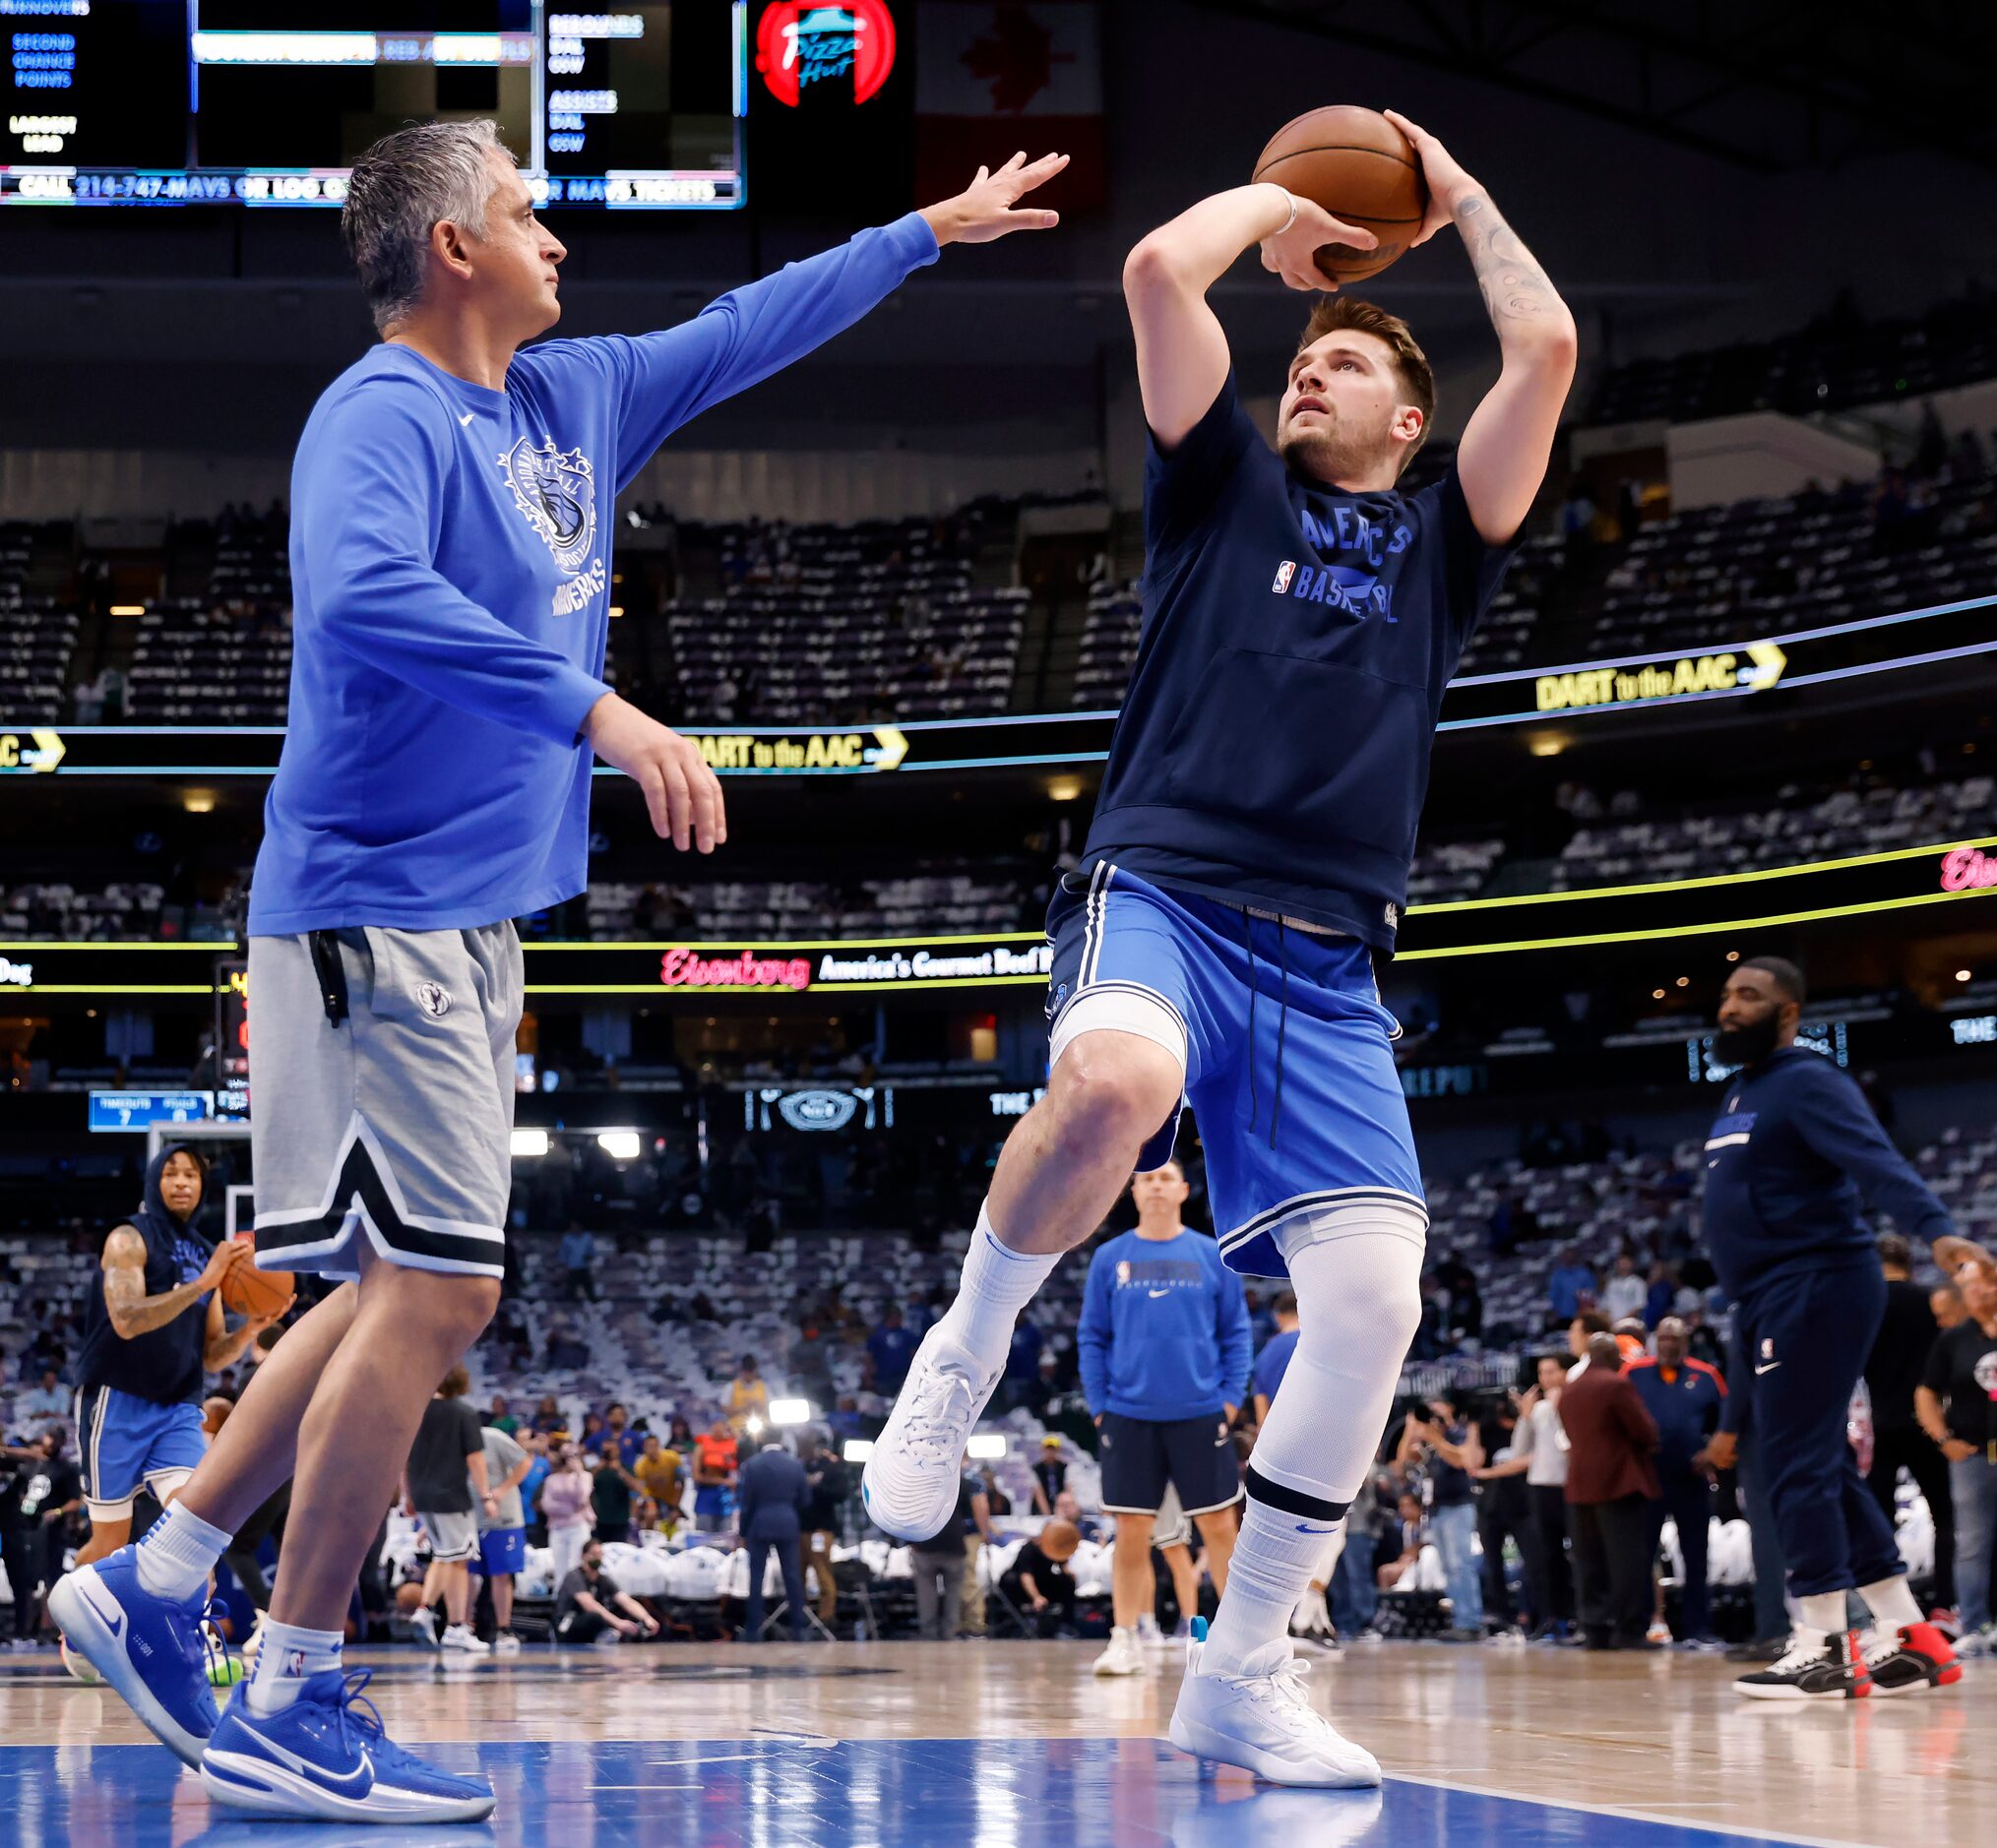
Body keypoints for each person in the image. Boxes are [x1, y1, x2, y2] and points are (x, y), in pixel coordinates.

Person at [50, 118, 1066, 1825]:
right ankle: (286, 1678)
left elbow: (746, 324)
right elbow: (365, 594)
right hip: (376, 904)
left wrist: (919, 232)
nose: (557, 237)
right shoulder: (374, 418)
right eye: (527, 209)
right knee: (441, 1295)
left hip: (453, 919)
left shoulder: (573, 394)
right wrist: (594, 704)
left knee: (392, 1291)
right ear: (452, 244)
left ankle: (157, 1578)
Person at [865, 111, 1573, 1786]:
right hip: (1164, 883)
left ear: (1410, 417)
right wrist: (1292, 209)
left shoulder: (1439, 548)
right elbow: (1146, 267)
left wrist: (1444, 189)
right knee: (1120, 1073)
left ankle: (1241, 1667)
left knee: (1374, 1299)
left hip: (1328, 953)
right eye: (1301, 358)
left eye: (1339, 364)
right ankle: (955, 1357)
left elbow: (1539, 342)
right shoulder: (1215, 481)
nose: (1304, 376)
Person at [1702, 957, 1961, 1698]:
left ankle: (1819, 1642)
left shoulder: (1808, 1081)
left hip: (1814, 1282)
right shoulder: (1739, 1091)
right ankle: (1910, 1637)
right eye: (1725, 995)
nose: (1728, 1006)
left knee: (1792, 1465)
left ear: (1787, 1013)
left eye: (1747, 996)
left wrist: (1935, 1231)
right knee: (1819, 1465)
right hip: (1767, 1296)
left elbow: (1876, 1164)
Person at [66, 1148, 273, 1583]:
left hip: (178, 1406)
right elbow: (125, 1320)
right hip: (116, 1398)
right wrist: (203, 1282)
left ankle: (190, 1640)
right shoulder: (129, 1238)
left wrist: (252, 1329)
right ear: (154, 1182)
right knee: (109, 1545)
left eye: (192, 1175)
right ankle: (74, 1623)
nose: (182, 1182)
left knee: (196, 1531)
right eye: (172, 1173)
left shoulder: (203, 1253)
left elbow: (213, 1354)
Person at [1078, 1162, 1250, 1677]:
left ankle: (1238, 1643)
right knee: (1131, 1529)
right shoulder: (1109, 1258)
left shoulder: (1212, 1255)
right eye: (1145, 1178)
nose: (1155, 1184)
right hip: (1128, 1416)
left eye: (1164, 1177)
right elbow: (1092, 1337)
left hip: (1200, 1413)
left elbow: (1236, 1335)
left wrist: (1228, 1403)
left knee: (1220, 1526)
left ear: (1183, 1190)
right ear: (1131, 1191)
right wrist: (1099, 1406)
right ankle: (1124, 1636)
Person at [1864, 1233, 1955, 1619]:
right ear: (1909, 1263)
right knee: (1944, 1517)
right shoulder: (1929, 1303)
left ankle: (1888, 1613)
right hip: (1926, 1424)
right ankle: (1943, 1606)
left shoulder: (1864, 1305)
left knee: (1877, 1524)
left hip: (1876, 1426)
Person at [1915, 1238, 1997, 1658]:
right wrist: (1943, 1439)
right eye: (1971, 1287)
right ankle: (1975, 1623)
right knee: (1972, 1541)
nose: (1979, 1292)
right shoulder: (1954, 1340)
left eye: (1986, 1284)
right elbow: (1926, 1393)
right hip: (1973, 1454)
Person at [1627, 1317, 1725, 1644]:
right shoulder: (1634, 1373)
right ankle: (1641, 1626)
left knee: (1696, 1555)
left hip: (1691, 1480)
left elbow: (1726, 1420)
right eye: (1664, 1338)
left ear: (1686, 1342)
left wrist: (1712, 1452)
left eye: (1676, 1339)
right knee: (1641, 1556)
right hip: (1648, 1479)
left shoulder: (1707, 1375)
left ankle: (1698, 1629)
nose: (1669, 1344)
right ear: (1656, 1342)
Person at [1558, 1335, 1659, 1650]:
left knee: (1589, 1562)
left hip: (1578, 1485)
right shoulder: (1616, 1385)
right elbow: (1644, 1430)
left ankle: (1594, 1629)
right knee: (1626, 1561)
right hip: (1618, 1482)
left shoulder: (1568, 1392)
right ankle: (1628, 1631)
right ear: (1612, 1356)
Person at [1471, 1355, 1572, 1637]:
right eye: (1542, 1372)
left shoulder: (1575, 1398)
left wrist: (1491, 1474)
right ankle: (1551, 1620)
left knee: (1569, 1558)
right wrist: (1526, 1417)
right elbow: (1519, 1449)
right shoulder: (1537, 1410)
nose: (1547, 1377)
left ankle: (1576, 1617)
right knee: (1548, 1559)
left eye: (1552, 1371)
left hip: (1571, 1486)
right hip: (1542, 1488)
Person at [400, 1365, 493, 1655]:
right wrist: (486, 1494)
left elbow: (404, 1458)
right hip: (451, 1497)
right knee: (460, 1561)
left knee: (444, 1556)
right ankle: (456, 1627)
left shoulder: (417, 1411)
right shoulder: (463, 1414)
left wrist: (408, 1496)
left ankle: (426, 1610)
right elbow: (476, 1459)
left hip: (423, 1496)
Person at [1394, 1396, 1483, 1640]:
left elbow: (1461, 1459)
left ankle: (1471, 1622)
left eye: (1437, 1406)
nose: (1432, 1413)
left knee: (1460, 1565)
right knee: (1447, 1567)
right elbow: (1402, 1463)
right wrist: (1411, 1431)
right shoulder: (1431, 1445)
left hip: (1458, 1507)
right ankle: (1460, 1621)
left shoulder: (1458, 1433)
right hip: (1438, 1510)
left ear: (1450, 1408)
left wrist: (1434, 1436)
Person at [906, 1461, 991, 1641]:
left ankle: (928, 1632)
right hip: (954, 1542)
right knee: (955, 1591)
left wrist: (910, 1540)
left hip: (925, 1543)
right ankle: (951, 1632)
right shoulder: (963, 1481)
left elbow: (908, 1511)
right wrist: (984, 1532)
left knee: (926, 1593)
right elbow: (979, 1507)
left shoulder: (919, 1482)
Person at [737, 1437, 811, 1642]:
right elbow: (805, 1499)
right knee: (792, 1577)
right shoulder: (795, 1464)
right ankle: (799, 1628)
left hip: (759, 1523)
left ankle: (753, 1630)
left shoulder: (751, 1465)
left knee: (756, 1577)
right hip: (787, 1522)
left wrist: (743, 1531)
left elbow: (746, 1502)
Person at [473, 1418, 531, 1652]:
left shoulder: (493, 1437)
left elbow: (525, 1463)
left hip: (504, 1518)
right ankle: (463, 1627)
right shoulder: (452, 1440)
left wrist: (502, 1490)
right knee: (467, 1575)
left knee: (501, 1574)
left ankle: (504, 1628)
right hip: (469, 1517)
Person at [554, 1539, 658, 1646]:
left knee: (624, 1616)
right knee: (595, 1617)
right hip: (568, 1624)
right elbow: (589, 1605)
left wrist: (646, 1618)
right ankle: (608, 1634)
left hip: (591, 1625)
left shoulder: (603, 1579)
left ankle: (613, 1635)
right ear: (583, 1556)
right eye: (593, 1554)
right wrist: (618, 1623)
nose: (597, 1558)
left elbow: (626, 1600)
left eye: (600, 1554)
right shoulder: (574, 1576)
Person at [1000, 1518, 1082, 1636]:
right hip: (1021, 1585)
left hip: (1042, 1580)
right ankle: (1014, 1625)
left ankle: (1066, 1624)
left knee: (1067, 1581)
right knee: (1010, 1580)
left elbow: (1063, 1565)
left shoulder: (1055, 1546)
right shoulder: (1029, 1548)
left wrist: (1070, 1575)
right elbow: (1026, 1576)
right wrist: (1036, 1597)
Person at [801, 1435, 851, 1628]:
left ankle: (827, 1616)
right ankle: (802, 1616)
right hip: (801, 1528)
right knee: (798, 1575)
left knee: (823, 1573)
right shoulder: (800, 1466)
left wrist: (817, 1485)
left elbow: (841, 1494)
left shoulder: (832, 1468)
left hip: (821, 1528)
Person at [539, 1443, 594, 1592]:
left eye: (575, 1457)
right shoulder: (552, 1479)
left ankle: (577, 1597)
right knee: (559, 1566)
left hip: (578, 1527)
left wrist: (579, 1474)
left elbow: (582, 1499)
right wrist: (569, 1509)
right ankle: (559, 1600)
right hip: (557, 1528)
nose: (572, 1460)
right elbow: (547, 1504)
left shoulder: (585, 1477)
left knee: (575, 1565)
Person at [693, 1420, 739, 1534]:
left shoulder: (733, 1446)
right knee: (703, 1538)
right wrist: (722, 1481)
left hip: (726, 1500)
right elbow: (696, 1476)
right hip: (706, 1498)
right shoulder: (701, 1448)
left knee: (726, 1538)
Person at [726, 1356, 771, 1439]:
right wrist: (743, 1408)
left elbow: (769, 1408)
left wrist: (758, 1406)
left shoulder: (764, 1387)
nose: (749, 1375)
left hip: (762, 1428)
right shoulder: (731, 1387)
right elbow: (726, 1411)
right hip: (736, 1430)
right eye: (747, 1372)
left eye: (752, 1372)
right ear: (742, 1371)